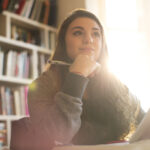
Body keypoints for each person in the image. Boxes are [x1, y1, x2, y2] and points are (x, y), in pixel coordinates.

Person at [10, 9, 145, 150]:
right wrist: (77, 75)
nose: (89, 40)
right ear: (63, 42)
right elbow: (57, 134)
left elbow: (143, 121)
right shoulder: (43, 84)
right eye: (78, 33)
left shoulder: (115, 83)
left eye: (96, 34)